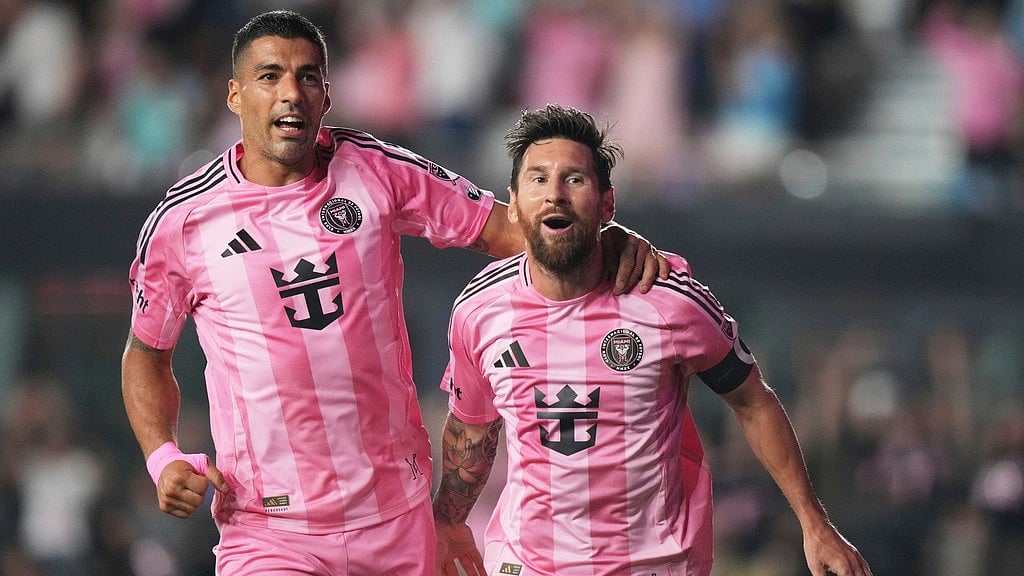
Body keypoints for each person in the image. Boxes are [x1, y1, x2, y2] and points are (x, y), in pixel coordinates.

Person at [120, 10, 665, 576]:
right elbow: (145, 357)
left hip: (397, 519)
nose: (291, 93)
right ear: (234, 95)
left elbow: (506, 229)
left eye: (308, 77)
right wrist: (162, 457)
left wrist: (601, 239)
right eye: (270, 76)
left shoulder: (375, 168)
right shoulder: (184, 222)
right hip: (269, 530)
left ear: (327, 96)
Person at [432, 104, 872, 576]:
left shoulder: (668, 302)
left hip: (652, 564)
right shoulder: (478, 311)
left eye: (574, 179)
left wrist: (814, 522)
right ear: (513, 204)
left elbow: (752, 401)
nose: (555, 194)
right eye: (538, 179)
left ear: (607, 205)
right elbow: (472, 430)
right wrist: (446, 524)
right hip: (527, 563)